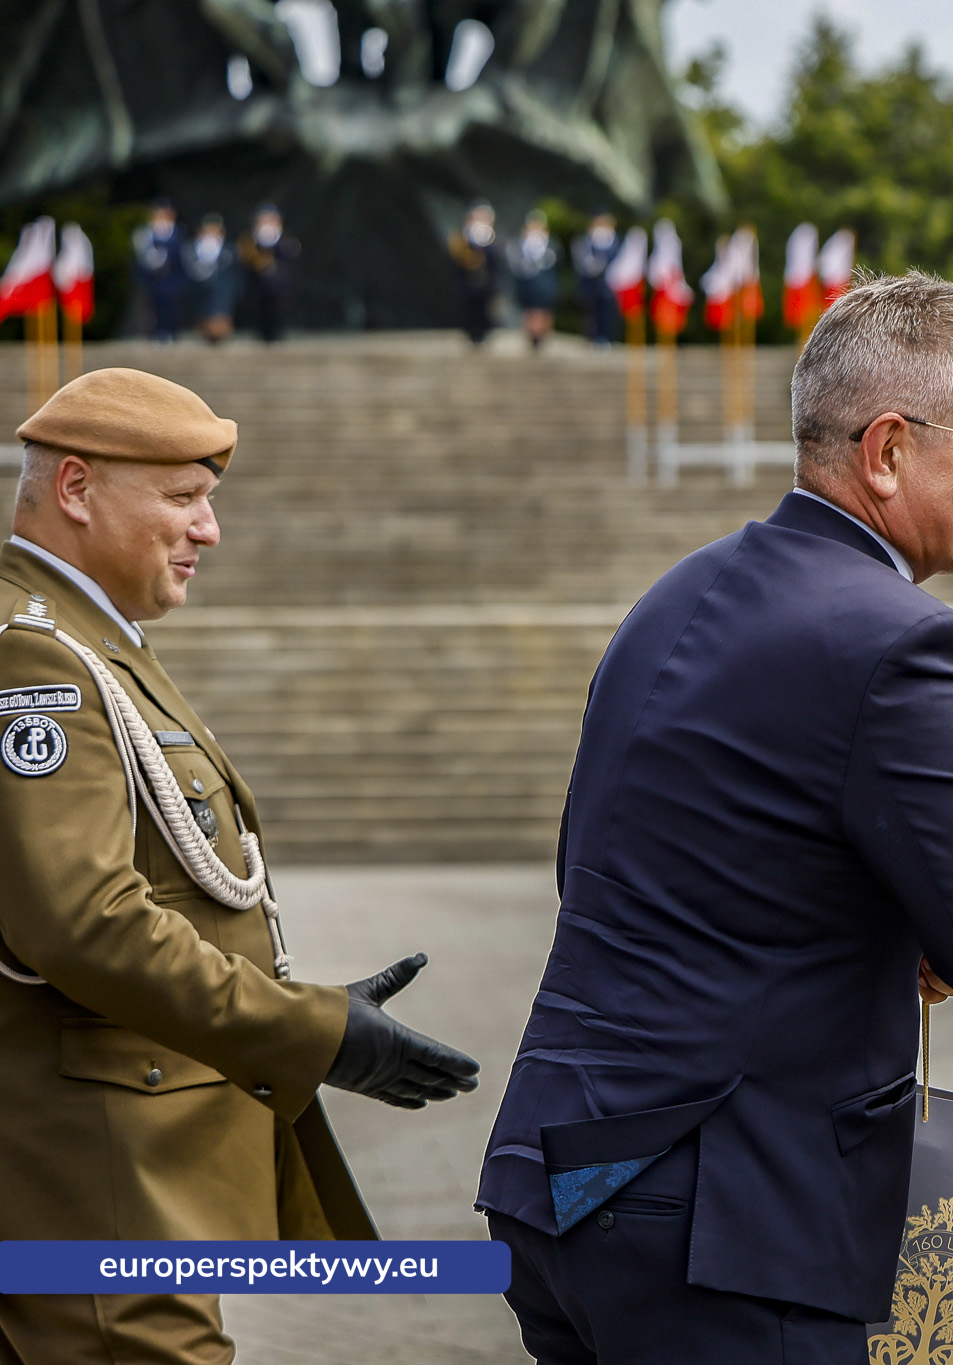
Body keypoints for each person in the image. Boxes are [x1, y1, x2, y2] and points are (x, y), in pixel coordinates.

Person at [476, 272, 953, 1364]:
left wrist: (884, 936)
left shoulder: (677, 595)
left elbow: (636, 871)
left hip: (560, 1182)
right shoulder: (904, 645)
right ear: (889, 450)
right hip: (724, 1220)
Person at [0, 369, 480, 1365]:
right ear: (78, 489)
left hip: (128, 1174)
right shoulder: (36, 661)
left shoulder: (87, 642)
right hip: (99, 1184)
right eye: (182, 497)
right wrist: (316, 1033)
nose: (208, 530)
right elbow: (81, 922)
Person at [237, 204, 299, 344]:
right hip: (257, 292)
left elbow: (291, 270)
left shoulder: (287, 243)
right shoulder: (249, 243)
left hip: (280, 293)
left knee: (277, 323)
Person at [131, 199, 186, 343]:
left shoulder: (178, 234)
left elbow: (181, 261)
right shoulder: (145, 235)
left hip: (171, 281)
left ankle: (170, 333)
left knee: (171, 309)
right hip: (151, 281)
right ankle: (154, 333)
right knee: (151, 308)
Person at [449, 201, 501, 346]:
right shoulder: (463, 237)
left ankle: (482, 334)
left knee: (484, 311)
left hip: (485, 283)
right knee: (469, 311)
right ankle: (471, 334)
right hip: (469, 282)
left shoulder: (492, 238)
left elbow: (495, 262)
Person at [508, 209, 559, 352]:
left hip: (545, 287)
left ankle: (542, 339)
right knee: (530, 313)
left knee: (543, 313)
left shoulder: (552, 246)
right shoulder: (518, 245)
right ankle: (531, 339)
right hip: (526, 287)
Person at [184, 213, 236, 344]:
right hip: (200, 295)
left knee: (219, 317)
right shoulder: (190, 249)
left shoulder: (230, 250)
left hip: (222, 294)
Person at [572, 213, 622, 346]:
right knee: (590, 315)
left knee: (607, 314)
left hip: (609, 285)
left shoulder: (616, 242)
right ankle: (591, 338)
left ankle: (607, 338)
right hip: (590, 285)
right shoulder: (585, 241)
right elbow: (581, 259)